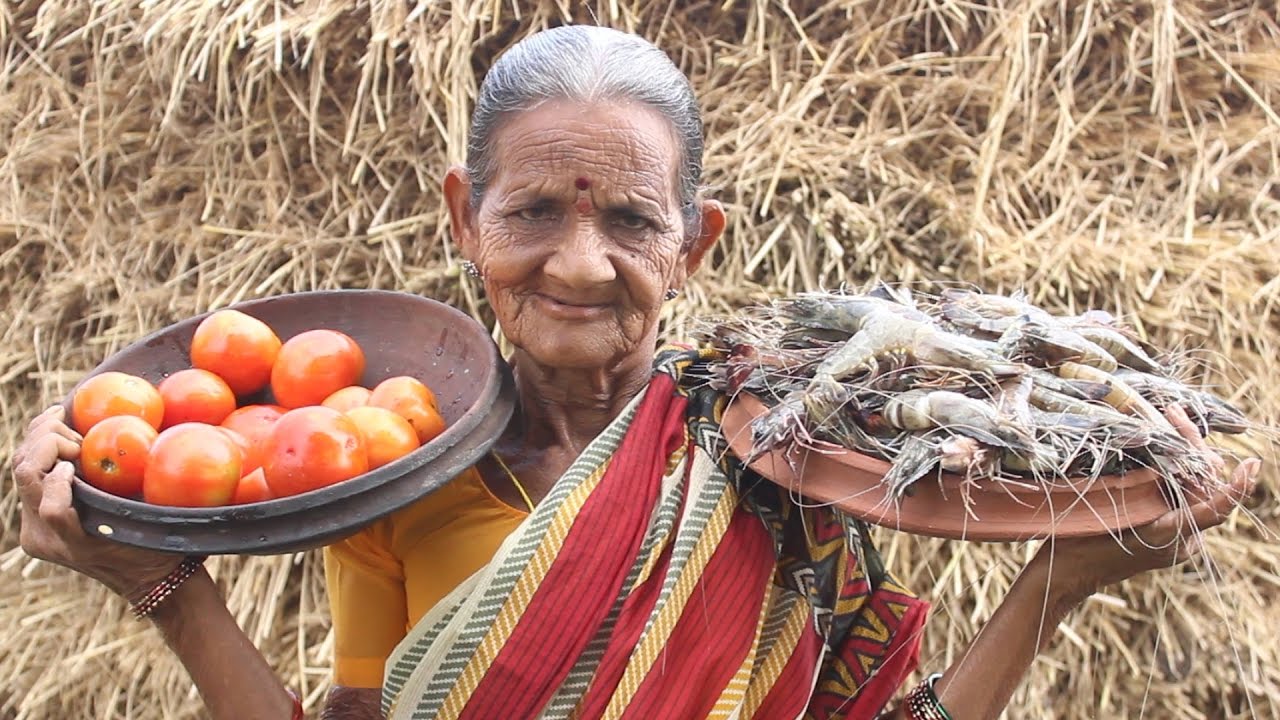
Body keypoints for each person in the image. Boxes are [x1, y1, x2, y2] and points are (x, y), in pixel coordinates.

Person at [14, 25, 1259, 720]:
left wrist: (1061, 580)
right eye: (534, 210)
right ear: (463, 216)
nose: (580, 262)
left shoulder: (778, 449)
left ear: (694, 240)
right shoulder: (387, 463)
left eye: (629, 221)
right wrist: (169, 593)